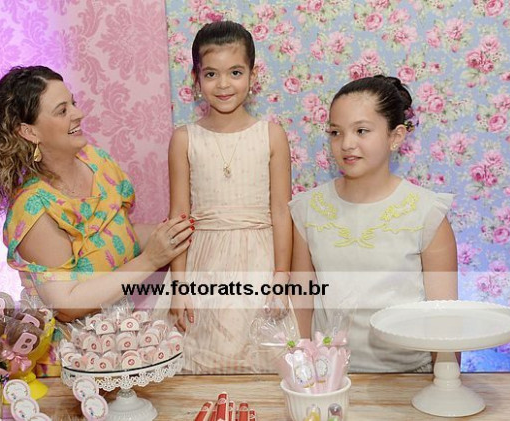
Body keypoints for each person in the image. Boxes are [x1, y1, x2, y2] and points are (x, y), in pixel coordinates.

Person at [0, 65, 193, 375]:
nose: (78, 114)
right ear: (30, 132)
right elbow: (67, 303)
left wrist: (178, 234)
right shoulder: (34, 207)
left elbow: (118, 238)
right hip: (74, 365)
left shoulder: (96, 161)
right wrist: (152, 259)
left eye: (73, 103)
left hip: (121, 347)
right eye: (62, 110)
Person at [289, 75, 458, 372]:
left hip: (409, 380)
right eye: (336, 132)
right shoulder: (308, 210)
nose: (347, 144)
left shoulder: (427, 214)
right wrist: (302, 372)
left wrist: (446, 386)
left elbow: (445, 321)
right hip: (328, 379)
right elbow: (301, 306)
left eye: (361, 131)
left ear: (396, 136)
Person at [167, 21, 293, 374]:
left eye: (235, 72)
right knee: (203, 360)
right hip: (202, 263)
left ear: (253, 75)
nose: (223, 84)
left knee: (261, 363)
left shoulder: (271, 135)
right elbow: (178, 216)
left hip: (259, 261)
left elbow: (281, 212)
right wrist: (179, 285)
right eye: (211, 74)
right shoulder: (184, 139)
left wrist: (281, 275)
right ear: (196, 79)